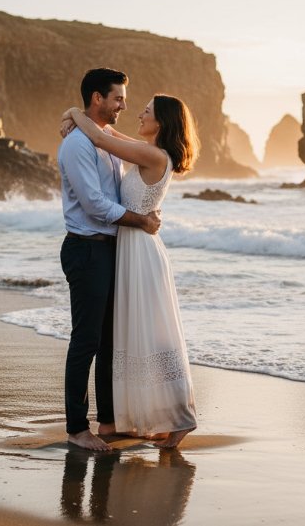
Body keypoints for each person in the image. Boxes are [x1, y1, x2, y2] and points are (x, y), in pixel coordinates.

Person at [61, 92, 199, 449]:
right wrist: (80, 117)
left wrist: (75, 111)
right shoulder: (147, 149)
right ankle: (150, 415)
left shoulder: (153, 155)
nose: (138, 113)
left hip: (139, 250)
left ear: (162, 122)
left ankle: (182, 417)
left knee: (153, 334)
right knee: (134, 333)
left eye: (147, 111)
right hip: (130, 248)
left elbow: (101, 138)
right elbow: (111, 136)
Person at [58, 68, 161, 452]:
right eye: (117, 97)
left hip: (109, 249)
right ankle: (75, 427)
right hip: (86, 248)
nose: (124, 104)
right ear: (97, 99)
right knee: (85, 340)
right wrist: (142, 221)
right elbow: (95, 204)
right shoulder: (77, 146)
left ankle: (109, 422)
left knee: (108, 341)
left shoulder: (102, 141)